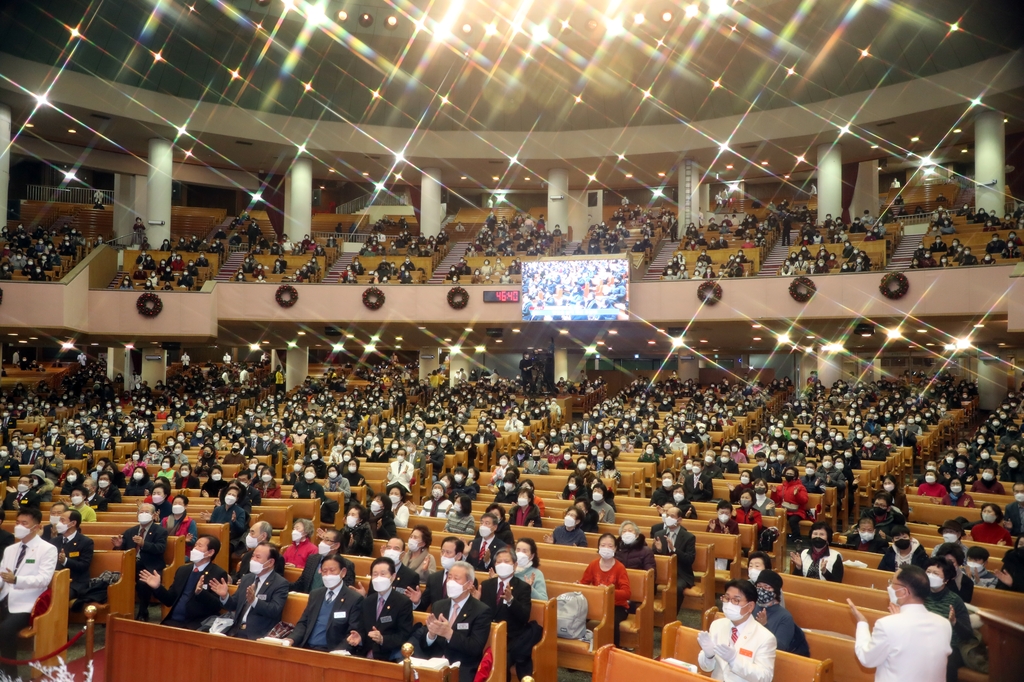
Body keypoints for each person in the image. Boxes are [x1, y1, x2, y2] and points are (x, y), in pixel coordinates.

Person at [848, 565, 951, 682]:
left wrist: (862, 623)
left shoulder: (887, 625)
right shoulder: (944, 624)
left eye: (892, 582)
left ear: (903, 592)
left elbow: (867, 659)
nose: (889, 587)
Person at [0, 508, 58, 679]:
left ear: (36, 527)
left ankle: (9, 675)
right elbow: (2, 575)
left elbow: (44, 579)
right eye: (17, 523)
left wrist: (16, 579)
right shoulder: (10, 549)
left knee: (5, 630)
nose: (19, 526)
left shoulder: (47, 549)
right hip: (5, 597)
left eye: (24, 523)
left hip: (28, 603)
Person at [414, 560, 492, 682]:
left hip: (463, 666)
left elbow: (475, 648)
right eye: (449, 577)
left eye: (456, 578)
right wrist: (431, 635)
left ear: (469, 584)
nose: (451, 582)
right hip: (435, 663)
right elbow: (425, 645)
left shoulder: (481, 610)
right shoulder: (439, 605)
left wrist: (449, 634)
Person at [696, 579, 777, 682]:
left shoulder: (765, 637)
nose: (729, 604)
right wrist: (709, 656)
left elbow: (765, 677)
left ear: (750, 606)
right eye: (727, 598)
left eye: (736, 600)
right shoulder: (717, 625)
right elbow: (706, 668)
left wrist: (734, 660)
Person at [142, 535, 228, 630]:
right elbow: (169, 600)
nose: (194, 548)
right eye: (195, 545)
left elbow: (216, 606)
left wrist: (200, 593)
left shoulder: (217, 573)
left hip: (196, 624)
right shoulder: (183, 570)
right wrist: (157, 587)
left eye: (199, 546)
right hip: (173, 621)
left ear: (210, 552)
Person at [480, 547, 540, 680]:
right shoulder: (486, 585)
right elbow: (483, 614)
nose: (502, 564)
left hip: (510, 638)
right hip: (487, 635)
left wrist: (511, 600)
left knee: (502, 661)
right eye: (498, 562)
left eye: (506, 561)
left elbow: (524, 617)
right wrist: (476, 601)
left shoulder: (522, 587)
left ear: (515, 565)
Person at [284, 554, 365, 652]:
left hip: (332, 651)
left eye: (332, 570)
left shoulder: (354, 599)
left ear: (343, 572)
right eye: (324, 571)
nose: (328, 575)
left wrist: (338, 652)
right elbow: (304, 623)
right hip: (306, 648)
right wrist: (291, 639)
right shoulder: (316, 594)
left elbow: (352, 633)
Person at [208, 543, 289, 640]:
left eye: (258, 557)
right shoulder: (247, 578)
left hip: (258, 634)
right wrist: (225, 596)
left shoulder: (280, 583)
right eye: (253, 556)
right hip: (235, 629)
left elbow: (274, 610)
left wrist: (254, 601)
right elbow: (233, 605)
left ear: (270, 562)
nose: (253, 560)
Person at [111, 502, 168, 620]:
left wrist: (144, 544)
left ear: (153, 515)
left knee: (143, 583)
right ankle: (116, 611)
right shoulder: (130, 531)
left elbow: (160, 549)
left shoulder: (160, 531)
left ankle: (143, 611)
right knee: (115, 579)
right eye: (141, 512)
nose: (143, 514)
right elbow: (123, 551)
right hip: (131, 565)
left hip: (151, 565)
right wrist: (119, 545)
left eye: (146, 512)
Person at [351, 557, 414, 661]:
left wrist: (382, 639)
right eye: (375, 574)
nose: (378, 577)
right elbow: (362, 628)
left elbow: (404, 635)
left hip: (388, 655)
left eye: (383, 574)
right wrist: (359, 637)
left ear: (393, 577)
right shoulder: (367, 601)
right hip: (365, 654)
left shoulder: (402, 602)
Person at [924, 558, 972, 681]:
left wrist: (954, 622)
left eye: (935, 573)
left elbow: (967, 634)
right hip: (923, 642)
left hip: (949, 647)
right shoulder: (919, 595)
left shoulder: (955, 600)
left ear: (945, 580)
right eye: (928, 571)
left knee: (944, 662)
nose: (930, 576)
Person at [581, 533, 631, 647]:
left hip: (617, 606)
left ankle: (614, 651)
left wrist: (609, 592)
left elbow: (627, 593)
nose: (606, 548)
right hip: (597, 604)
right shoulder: (593, 564)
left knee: (611, 622)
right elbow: (584, 583)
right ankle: (583, 650)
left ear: (615, 548)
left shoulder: (620, 568)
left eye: (610, 546)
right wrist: (579, 585)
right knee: (578, 617)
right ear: (598, 547)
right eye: (603, 545)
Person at [752, 570, 809, 656]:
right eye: (759, 586)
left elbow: (781, 647)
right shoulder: (752, 607)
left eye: (766, 587)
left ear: (775, 592)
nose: (761, 590)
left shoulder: (785, 617)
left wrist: (764, 626)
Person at [406, 536, 465, 612]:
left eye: (448, 552)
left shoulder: (465, 579)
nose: (444, 555)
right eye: (442, 551)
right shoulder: (434, 578)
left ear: (458, 556)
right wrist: (417, 601)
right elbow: (423, 606)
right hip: (434, 621)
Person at [651, 505, 697, 599]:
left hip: (680, 573)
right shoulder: (659, 534)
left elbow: (689, 559)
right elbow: (653, 557)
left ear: (679, 520)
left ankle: (672, 613)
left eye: (672, 516)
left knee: (677, 588)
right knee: (649, 583)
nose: (668, 518)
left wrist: (674, 550)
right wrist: (658, 550)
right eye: (667, 515)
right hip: (662, 571)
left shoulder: (689, 537)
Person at [290, 528, 355, 593]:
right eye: (322, 539)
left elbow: (345, 592)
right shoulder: (312, 559)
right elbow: (301, 583)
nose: (322, 542)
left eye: (326, 540)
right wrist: (282, 584)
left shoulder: (346, 565)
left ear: (336, 545)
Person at [51, 508, 94, 600]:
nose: (59, 523)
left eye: (62, 520)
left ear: (73, 523)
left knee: (60, 596)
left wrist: (65, 561)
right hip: (55, 580)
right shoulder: (54, 541)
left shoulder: (86, 542)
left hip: (75, 582)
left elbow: (84, 566)